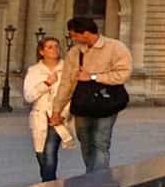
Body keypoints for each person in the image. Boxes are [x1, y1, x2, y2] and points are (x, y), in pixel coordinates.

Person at [55, 16, 132, 172]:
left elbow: (124, 74)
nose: (72, 38)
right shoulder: (74, 53)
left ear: (86, 33)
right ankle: (92, 173)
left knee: (100, 141)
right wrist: (57, 109)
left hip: (106, 103)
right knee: (84, 139)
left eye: (74, 35)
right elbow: (66, 83)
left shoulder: (116, 48)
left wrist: (94, 77)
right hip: (83, 103)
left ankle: (98, 180)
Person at [22, 34, 73, 182]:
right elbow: (29, 96)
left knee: (50, 150)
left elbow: (72, 94)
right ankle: (50, 182)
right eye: (50, 47)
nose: (55, 50)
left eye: (57, 46)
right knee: (40, 153)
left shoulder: (67, 69)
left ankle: (49, 185)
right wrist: (46, 84)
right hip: (40, 116)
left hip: (58, 116)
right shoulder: (34, 71)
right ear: (41, 51)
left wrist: (63, 114)